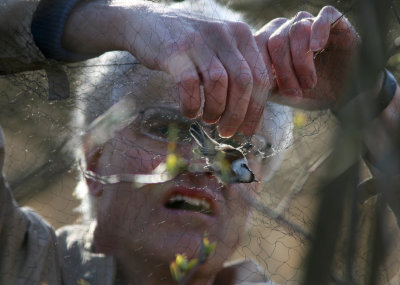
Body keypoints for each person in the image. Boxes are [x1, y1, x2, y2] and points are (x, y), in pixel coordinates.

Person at [1, 0, 399, 284]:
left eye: (240, 147)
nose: (203, 161)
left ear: (257, 187)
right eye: (167, 128)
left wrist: (369, 99)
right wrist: (120, 21)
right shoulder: (20, 262)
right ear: (94, 156)